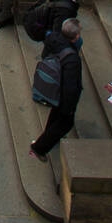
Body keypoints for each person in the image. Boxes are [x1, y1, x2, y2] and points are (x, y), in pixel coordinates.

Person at [29, 19, 83, 161]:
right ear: (76, 36)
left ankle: (49, 132)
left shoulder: (53, 38)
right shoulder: (72, 59)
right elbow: (70, 87)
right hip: (63, 94)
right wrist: (69, 106)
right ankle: (39, 148)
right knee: (65, 122)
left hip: (54, 86)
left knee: (55, 114)